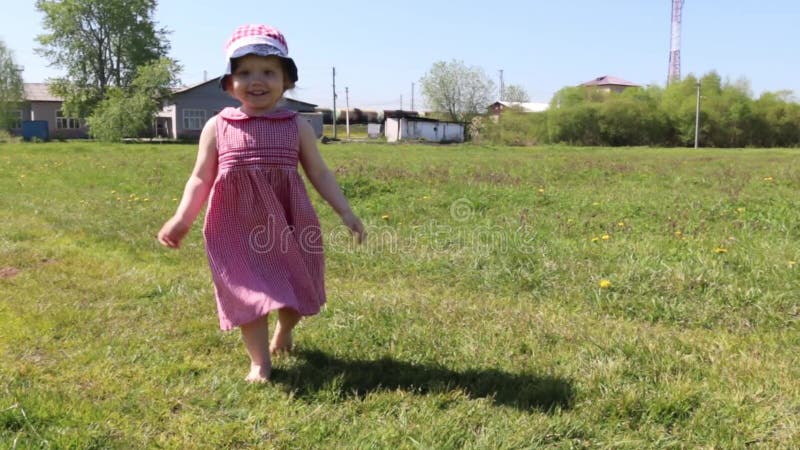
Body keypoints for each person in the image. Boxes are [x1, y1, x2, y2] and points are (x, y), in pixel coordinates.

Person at [157, 24, 365, 383]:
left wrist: (345, 211)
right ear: (228, 83)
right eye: (245, 72)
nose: (257, 80)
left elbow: (319, 172)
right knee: (248, 293)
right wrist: (181, 219)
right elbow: (200, 178)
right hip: (235, 227)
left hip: (289, 222)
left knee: (297, 286)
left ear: (287, 81)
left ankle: (284, 332)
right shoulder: (217, 126)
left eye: (269, 72)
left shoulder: (296, 125)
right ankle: (259, 362)